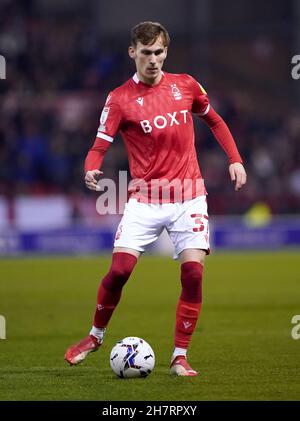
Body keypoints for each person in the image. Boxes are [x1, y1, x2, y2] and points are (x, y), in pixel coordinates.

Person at [64, 21, 247, 376]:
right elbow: (100, 145)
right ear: (133, 52)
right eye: (146, 52)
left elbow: (216, 122)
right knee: (120, 271)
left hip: (189, 196)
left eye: (159, 52)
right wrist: (91, 168)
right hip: (146, 199)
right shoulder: (119, 99)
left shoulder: (186, 85)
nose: (153, 60)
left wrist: (235, 160)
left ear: (166, 51)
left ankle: (179, 356)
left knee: (193, 273)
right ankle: (95, 336)